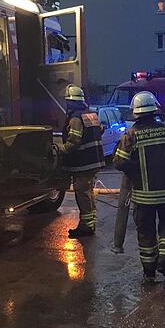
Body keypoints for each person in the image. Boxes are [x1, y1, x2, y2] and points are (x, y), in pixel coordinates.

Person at [113, 91, 165, 282]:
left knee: (146, 235)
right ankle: (164, 258)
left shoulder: (131, 135)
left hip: (143, 197)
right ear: (155, 109)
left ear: (135, 112)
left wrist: (137, 173)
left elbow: (119, 162)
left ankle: (149, 273)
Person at [58, 84, 106, 238]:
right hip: (94, 161)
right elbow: (100, 130)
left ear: (70, 102)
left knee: (82, 193)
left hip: (83, 163)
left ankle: (86, 226)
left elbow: (74, 141)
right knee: (88, 192)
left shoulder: (75, 119)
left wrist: (59, 150)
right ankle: (90, 223)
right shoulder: (91, 114)